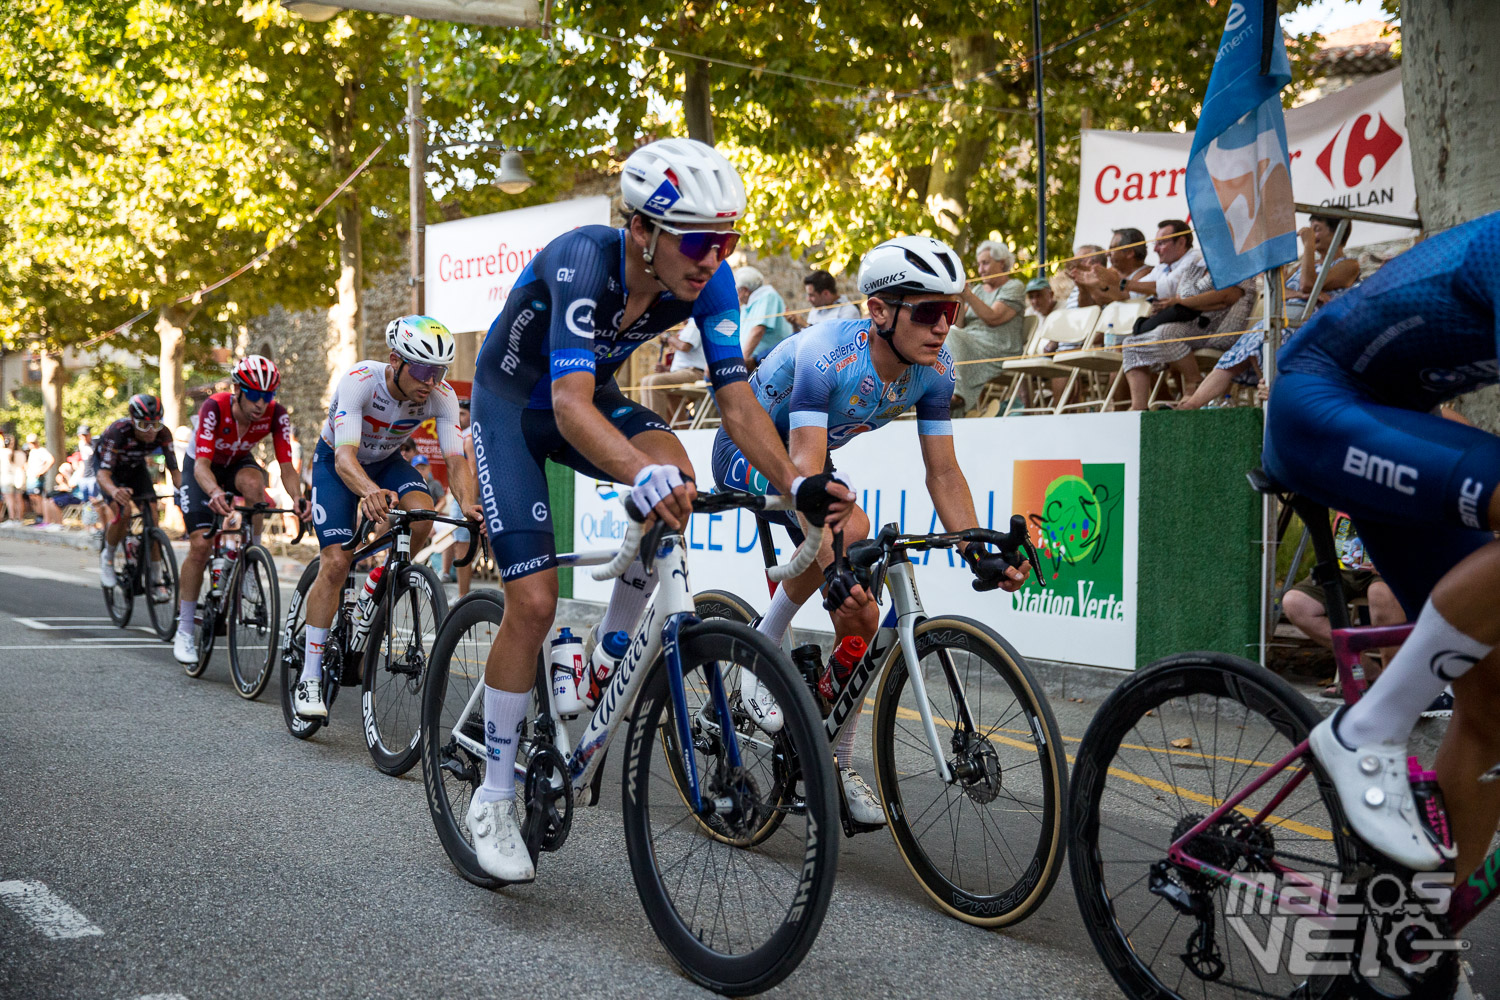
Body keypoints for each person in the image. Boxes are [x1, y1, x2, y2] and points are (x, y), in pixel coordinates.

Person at [465, 137, 853, 882]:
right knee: (534, 600)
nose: (714, 258)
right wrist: (637, 472)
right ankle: (492, 794)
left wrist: (795, 485)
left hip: (587, 398)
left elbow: (736, 403)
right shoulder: (583, 259)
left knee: (674, 468)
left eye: (727, 240)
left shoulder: (708, 285)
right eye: (700, 240)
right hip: (515, 407)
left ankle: (609, 653)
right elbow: (568, 405)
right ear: (642, 229)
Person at [711, 235, 1032, 824]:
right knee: (844, 527)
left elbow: (944, 471)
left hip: (810, 463)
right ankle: (764, 644)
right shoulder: (828, 357)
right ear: (880, 311)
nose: (943, 326)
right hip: (749, 449)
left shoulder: (935, 371)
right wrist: (832, 563)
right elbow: (806, 474)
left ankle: (833, 759)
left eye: (952, 311)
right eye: (929, 311)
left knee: (860, 614)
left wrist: (974, 550)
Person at [1262, 210, 1500, 880]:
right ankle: (1364, 730)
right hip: (1319, 403)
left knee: (1492, 700)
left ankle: (1425, 942)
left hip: (1393, 417)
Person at [292, 316, 477, 719]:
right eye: (424, 370)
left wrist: (469, 504)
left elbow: (456, 459)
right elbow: (344, 458)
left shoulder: (440, 396)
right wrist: (369, 492)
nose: (431, 381)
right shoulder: (361, 381)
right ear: (395, 360)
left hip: (388, 462)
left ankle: (383, 576)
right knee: (338, 561)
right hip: (339, 462)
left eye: (439, 371)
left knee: (423, 514)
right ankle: (308, 676)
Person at [173, 356, 309, 665]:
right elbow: (202, 467)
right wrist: (216, 493)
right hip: (202, 469)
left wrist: (298, 498)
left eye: (269, 396)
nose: (262, 403)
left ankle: (251, 556)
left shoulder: (277, 414)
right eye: (255, 395)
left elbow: (287, 466)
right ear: (237, 390)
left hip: (236, 463)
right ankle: (183, 630)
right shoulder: (215, 407)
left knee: (254, 483)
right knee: (200, 545)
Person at [1178, 213, 1361, 410]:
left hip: (1311, 324)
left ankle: (1273, 397)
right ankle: (1191, 405)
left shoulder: (1348, 265)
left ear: (1336, 233)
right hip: (1282, 318)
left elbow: (1308, 284)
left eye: (1317, 229)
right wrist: (1303, 293)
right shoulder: (1307, 265)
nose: (1310, 234)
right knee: (1235, 356)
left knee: (1264, 338)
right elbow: (1276, 290)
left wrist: (1307, 247)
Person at [94, 395, 182, 587]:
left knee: (153, 518)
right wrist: (114, 491)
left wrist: (186, 491)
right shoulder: (118, 432)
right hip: (110, 472)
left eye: (155, 425)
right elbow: (103, 475)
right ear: (133, 421)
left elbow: (175, 471)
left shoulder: (163, 433)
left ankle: (156, 576)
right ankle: (107, 558)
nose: (151, 431)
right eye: (144, 425)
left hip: (135, 468)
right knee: (123, 512)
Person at [948, 240, 1025, 415]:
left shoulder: (1014, 286)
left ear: (1002, 263)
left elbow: (993, 317)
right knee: (947, 334)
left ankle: (956, 394)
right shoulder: (978, 291)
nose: (981, 269)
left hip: (999, 348)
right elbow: (958, 324)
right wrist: (959, 298)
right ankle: (949, 399)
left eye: (985, 263)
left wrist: (967, 294)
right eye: (979, 264)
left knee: (951, 336)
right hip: (971, 343)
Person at [639, 320, 707, 423]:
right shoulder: (686, 328)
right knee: (645, 381)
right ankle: (650, 421)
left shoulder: (694, 322)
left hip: (695, 372)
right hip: (683, 372)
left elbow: (685, 346)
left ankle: (656, 423)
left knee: (654, 382)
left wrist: (667, 336)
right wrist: (666, 369)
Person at [442, 398, 476, 594]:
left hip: (467, 498)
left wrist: (469, 501)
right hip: (466, 496)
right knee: (460, 545)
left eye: (463, 413)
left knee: (463, 546)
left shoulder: (470, 438)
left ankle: (463, 595)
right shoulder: (464, 435)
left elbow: (473, 472)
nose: (460, 417)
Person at [736, 265, 794, 363]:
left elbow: (758, 330)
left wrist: (740, 362)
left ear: (745, 290)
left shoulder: (768, 296)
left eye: (737, 289)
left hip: (768, 360)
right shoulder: (747, 305)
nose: (735, 293)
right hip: (754, 359)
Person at [793, 269, 861, 329]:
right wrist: (795, 324)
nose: (808, 299)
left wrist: (805, 325)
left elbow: (835, 340)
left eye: (811, 295)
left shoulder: (848, 310)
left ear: (826, 294)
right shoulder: (815, 310)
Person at [25, 433, 54, 522]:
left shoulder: (41, 450)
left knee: (38, 499)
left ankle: (43, 517)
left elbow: (51, 460)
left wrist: (42, 471)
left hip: (37, 480)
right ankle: (38, 516)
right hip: (31, 479)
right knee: (33, 498)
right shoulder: (32, 452)